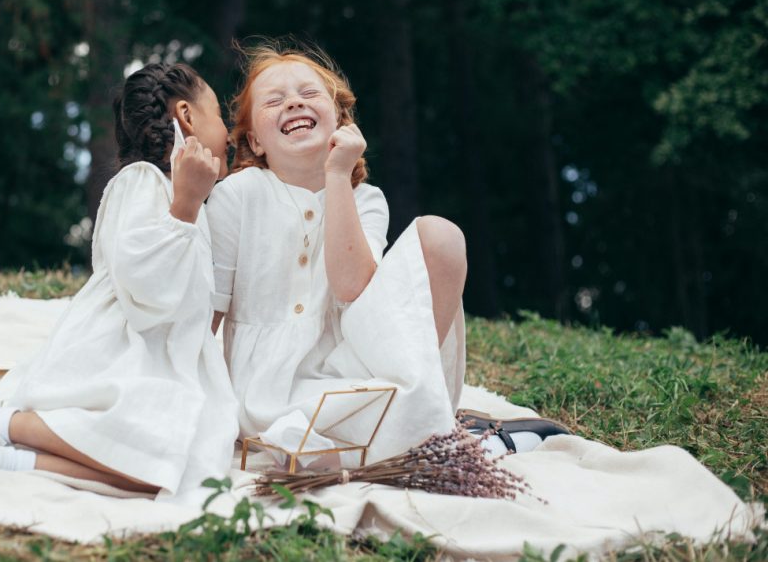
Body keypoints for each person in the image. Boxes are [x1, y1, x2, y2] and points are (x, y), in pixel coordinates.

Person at [0, 63, 239, 498]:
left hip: (170, 365)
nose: (229, 132)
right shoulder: (142, 182)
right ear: (186, 115)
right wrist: (184, 205)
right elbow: (147, 288)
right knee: (150, 447)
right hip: (126, 355)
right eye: (219, 115)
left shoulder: (197, 204)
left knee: (167, 472)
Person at [206, 41, 562, 462]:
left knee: (441, 236)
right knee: (316, 432)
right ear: (255, 141)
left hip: (349, 371)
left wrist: (337, 175)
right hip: (261, 389)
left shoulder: (365, 199)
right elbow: (207, 314)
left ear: (339, 121)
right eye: (274, 100)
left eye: (308, 93)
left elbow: (352, 285)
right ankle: (435, 439)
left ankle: (422, 419)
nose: (293, 103)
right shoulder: (235, 196)